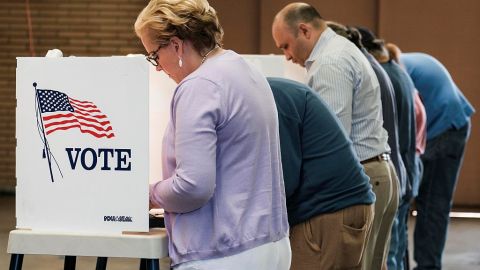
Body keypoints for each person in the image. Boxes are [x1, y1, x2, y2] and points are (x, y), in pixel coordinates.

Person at [134, 1, 291, 269]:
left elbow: (192, 187)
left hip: (221, 253)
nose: (157, 67)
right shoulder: (245, 69)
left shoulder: (199, 86)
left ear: (176, 44)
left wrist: (146, 194)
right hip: (270, 245)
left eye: (154, 56)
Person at [272, 4, 398, 269]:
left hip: (363, 174)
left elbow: (332, 141)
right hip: (376, 171)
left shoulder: (330, 63)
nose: (286, 56)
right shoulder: (342, 49)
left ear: (304, 30)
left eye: (285, 46)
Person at [267, 77, 375, 270]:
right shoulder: (280, 91)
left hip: (326, 212)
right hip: (346, 205)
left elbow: (284, 180)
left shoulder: (273, 102)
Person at [389, 44, 475, 270]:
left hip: (446, 127)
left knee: (424, 202)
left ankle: (425, 266)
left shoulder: (393, 72)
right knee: (427, 201)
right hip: (452, 121)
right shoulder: (395, 63)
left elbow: (406, 125)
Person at [356, 27, 418, 270]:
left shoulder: (381, 76)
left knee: (389, 256)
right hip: (404, 171)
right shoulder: (394, 72)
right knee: (396, 251)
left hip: (394, 170)